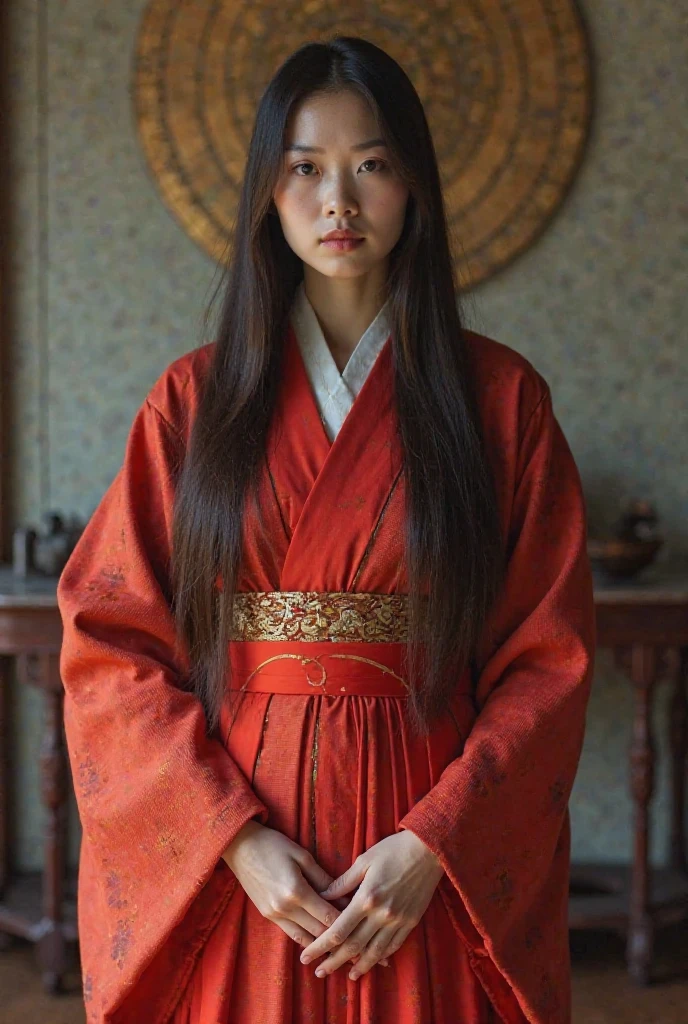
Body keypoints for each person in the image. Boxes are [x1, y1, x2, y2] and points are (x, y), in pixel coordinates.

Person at [57, 35, 596, 1024]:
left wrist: (435, 843)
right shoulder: (193, 403)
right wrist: (232, 840)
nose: (338, 201)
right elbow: (111, 646)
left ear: (414, 185)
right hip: (251, 852)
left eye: (371, 165)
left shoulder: (501, 401)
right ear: (267, 192)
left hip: (419, 850)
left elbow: (546, 661)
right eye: (305, 168)